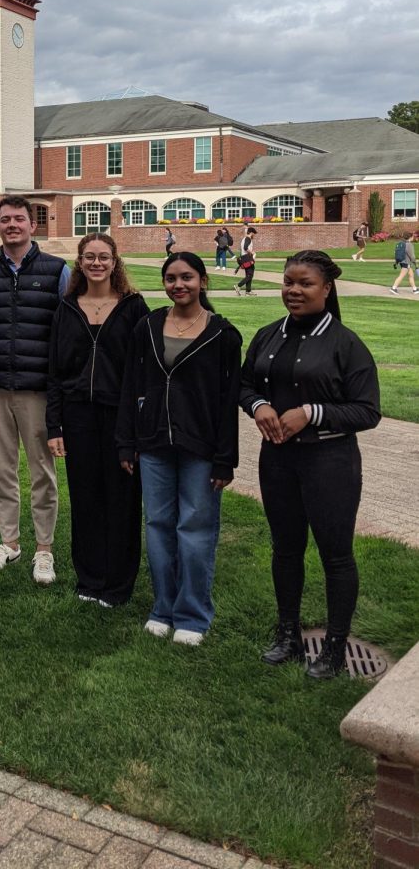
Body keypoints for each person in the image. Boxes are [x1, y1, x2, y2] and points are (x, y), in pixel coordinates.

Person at [240, 250, 381, 679]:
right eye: (288, 282)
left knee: (335, 555)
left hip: (329, 461)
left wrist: (311, 411)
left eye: (305, 283)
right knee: (286, 548)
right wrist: (259, 404)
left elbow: (367, 411)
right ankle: (288, 634)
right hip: (278, 458)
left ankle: (335, 647)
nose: (293, 291)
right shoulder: (268, 335)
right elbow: (243, 384)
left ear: (326, 288)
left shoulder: (345, 344)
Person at [117, 252, 242, 644]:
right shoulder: (148, 326)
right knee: (157, 526)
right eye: (171, 278)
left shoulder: (223, 334)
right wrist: (126, 442)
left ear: (203, 281)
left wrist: (225, 457)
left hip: (200, 448)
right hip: (153, 442)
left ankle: (192, 614)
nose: (178, 285)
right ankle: (163, 607)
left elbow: (227, 402)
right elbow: (130, 386)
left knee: (196, 528)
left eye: (187, 277)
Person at [0, 196, 70, 584]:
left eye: (19, 219)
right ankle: (9, 542)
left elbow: (65, 334)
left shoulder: (57, 270)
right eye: (5, 219)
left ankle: (43, 549)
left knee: (42, 470)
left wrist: (58, 388)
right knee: (2, 469)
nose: (12, 225)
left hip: (37, 388)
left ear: (32, 225)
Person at [46, 234, 149, 606]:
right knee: (86, 499)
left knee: (121, 500)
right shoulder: (67, 307)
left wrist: (138, 423)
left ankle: (118, 584)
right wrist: (54, 427)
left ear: (115, 262)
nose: (97, 263)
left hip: (121, 416)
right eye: (89, 257)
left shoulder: (134, 307)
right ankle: (89, 580)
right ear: (80, 262)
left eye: (104, 257)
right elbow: (55, 373)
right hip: (78, 416)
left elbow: (145, 369)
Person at [234, 227, 257, 296]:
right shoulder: (248, 239)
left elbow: (242, 249)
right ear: (251, 233)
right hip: (247, 258)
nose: (254, 235)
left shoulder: (244, 239)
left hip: (244, 257)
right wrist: (252, 253)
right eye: (254, 234)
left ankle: (248, 291)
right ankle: (238, 286)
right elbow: (245, 247)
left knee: (249, 275)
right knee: (250, 275)